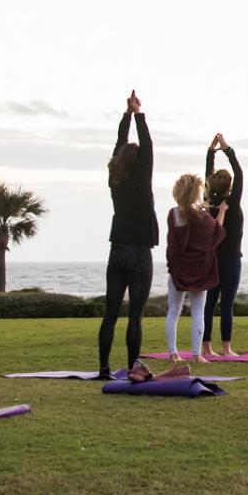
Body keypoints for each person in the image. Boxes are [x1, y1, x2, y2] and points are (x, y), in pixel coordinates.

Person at [97, 89, 156, 381]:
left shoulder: (115, 180)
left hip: (117, 250)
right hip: (139, 252)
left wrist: (127, 115)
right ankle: (134, 368)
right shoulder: (143, 178)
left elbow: (120, 146)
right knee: (135, 315)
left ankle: (104, 368)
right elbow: (147, 145)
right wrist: (139, 114)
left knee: (110, 314)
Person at [165, 173, 227, 363]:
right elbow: (216, 233)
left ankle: (173, 353)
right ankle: (196, 354)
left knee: (173, 311)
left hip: (178, 270)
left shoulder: (173, 214)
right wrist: (222, 210)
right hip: (199, 271)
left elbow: (175, 240)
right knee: (198, 312)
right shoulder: (201, 215)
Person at [204, 133, 245, 357]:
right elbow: (239, 172)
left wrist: (211, 152)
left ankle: (206, 346)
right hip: (230, 260)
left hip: (212, 260)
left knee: (209, 304)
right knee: (226, 304)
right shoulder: (233, 201)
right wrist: (226, 149)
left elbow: (208, 175)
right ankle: (227, 348)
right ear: (230, 186)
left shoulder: (209, 201)